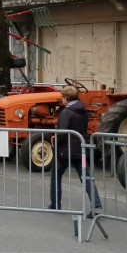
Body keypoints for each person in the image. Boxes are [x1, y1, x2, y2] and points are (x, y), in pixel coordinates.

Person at [48, 85, 102, 213]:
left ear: (66, 98)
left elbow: (62, 132)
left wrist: (55, 143)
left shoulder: (66, 112)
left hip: (64, 150)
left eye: (62, 97)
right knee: (86, 177)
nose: (61, 99)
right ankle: (97, 205)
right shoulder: (83, 111)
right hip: (79, 148)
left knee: (56, 176)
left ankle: (55, 204)